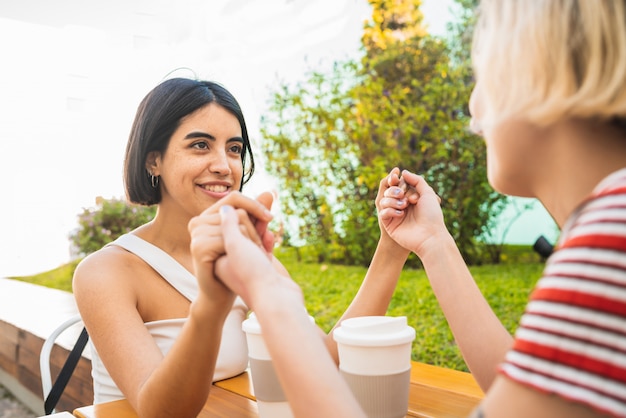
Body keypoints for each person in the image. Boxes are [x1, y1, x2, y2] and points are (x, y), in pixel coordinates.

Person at [203, 0, 626, 417]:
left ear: (540, 72)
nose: (473, 108)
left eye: (482, 75)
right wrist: (433, 242)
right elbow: (524, 392)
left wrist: (271, 296)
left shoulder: (612, 237)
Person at [72, 77, 409, 417]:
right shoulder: (105, 273)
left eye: (234, 149)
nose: (224, 165)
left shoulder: (242, 252)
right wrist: (212, 304)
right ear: (152, 160)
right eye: (200, 145)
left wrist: (391, 250)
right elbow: (158, 412)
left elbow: (322, 358)